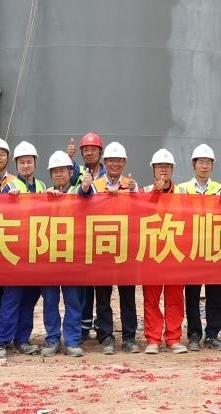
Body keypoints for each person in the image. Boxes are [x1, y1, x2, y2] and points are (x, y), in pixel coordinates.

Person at [87, 141, 140, 354]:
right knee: (102, 297)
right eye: (111, 161)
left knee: (128, 296)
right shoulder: (95, 185)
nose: (115, 164)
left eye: (119, 161)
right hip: (103, 247)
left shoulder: (132, 185)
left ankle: (129, 337)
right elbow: (85, 208)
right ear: (105, 162)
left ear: (124, 163)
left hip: (126, 248)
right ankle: (106, 336)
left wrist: (133, 192)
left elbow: (140, 212)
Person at [0, 141, 45, 358]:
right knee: (11, 298)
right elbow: (0, 213)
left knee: (29, 299)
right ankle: (1, 341)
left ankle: (22, 339)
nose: (26, 165)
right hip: (15, 254)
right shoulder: (10, 187)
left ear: (35, 163)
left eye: (29, 162)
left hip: (36, 253)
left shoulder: (42, 186)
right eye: (22, 162)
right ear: (16, 164)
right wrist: (9, 199)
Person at [177, 144, 221, 351]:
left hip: (215, 248)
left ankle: (213, 334)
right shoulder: (182, 189)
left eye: (208, 162)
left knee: (215, 293)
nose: (205, 166)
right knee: (192, 294)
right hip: (192, 248)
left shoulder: (220, 189)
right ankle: (194, 334)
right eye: (201, 162)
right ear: (193, 164)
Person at [40, 151, 85, 357]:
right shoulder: (44, 195)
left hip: (72, 257)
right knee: (50, 301)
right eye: (55, 171)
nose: (59, 174)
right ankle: (52, 339)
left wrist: (85, 187)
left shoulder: (79, 192)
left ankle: (72, 340)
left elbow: (88, 194)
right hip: (49, 257)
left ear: (70, 172)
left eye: (62, 170)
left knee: (73, 301)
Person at [142, 149, 185, 354]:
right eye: (160, 166)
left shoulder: (182, 193)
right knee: (151, 298)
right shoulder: (144, 191)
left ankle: (173, 338)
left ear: (172, 169)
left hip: (175, 251)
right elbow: (140, 214)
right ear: (153, 169)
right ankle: (153, 339)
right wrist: (154, 195)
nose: (163, 170)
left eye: (167, 167)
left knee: (174, 298)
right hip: (152, 253)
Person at [70, 131, 106, 344]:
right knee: (83, 284)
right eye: (86, 150)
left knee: (101, 284)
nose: (90, 153)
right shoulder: (77, 172)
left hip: (103, 234)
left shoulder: (108, 173)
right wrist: (70, 159)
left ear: (100, 152)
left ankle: (102, 325)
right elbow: (67, 185)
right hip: (82, 235)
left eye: (93, 149)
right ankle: (84, 325)